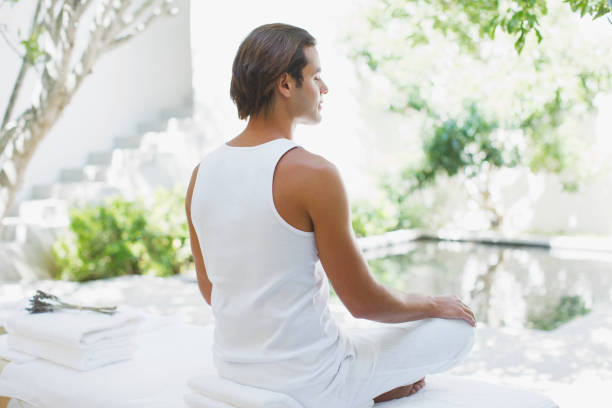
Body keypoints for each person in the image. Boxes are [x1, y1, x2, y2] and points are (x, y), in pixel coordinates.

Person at [185, 23, 476, 408]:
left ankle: (369, 379)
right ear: (285, 84)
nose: (323, 88)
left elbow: (212, 292)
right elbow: (365, 303)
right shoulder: (313, 173)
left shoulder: (201, 174)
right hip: (314, 383)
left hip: (233, 371)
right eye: (316, 76)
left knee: (353, 339)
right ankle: (362, 386)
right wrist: (434, 304)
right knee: (456, 329)